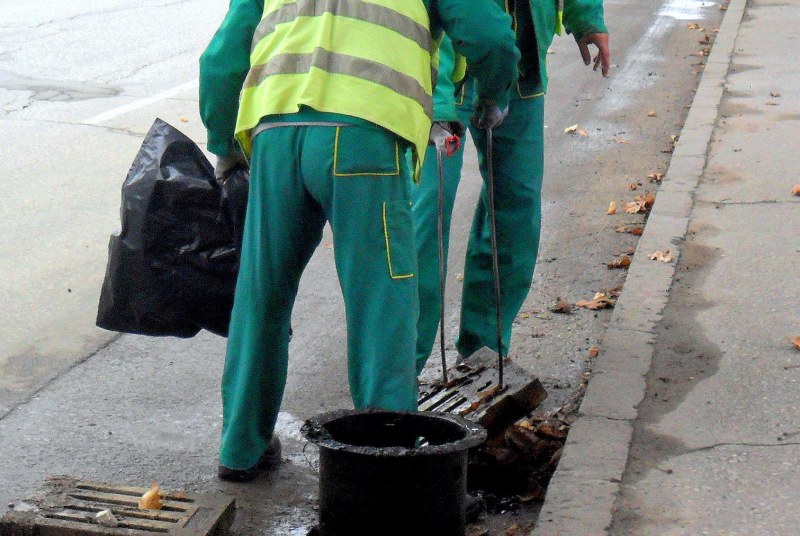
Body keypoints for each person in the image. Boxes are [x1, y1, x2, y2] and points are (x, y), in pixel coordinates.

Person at [199, 0, 520, 481]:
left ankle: (241, 447)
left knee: (260, 297)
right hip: (364, 135)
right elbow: (489, 34)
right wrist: (493, 96)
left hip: (276, 133)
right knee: (381, 305)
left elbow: (223, 54)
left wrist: (224, 141)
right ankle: (386, 461)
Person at [413, 0, 611, 373]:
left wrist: (586, 17)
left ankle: (484, 350)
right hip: (436, 69)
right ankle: (400, 369)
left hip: (517, 67)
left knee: (515, 210)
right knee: (426, 216)